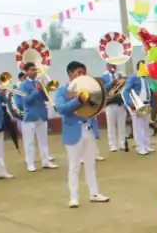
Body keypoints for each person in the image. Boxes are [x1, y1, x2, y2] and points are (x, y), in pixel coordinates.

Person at [54, 61, 110, 207]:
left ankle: (95, 193)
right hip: (73, 131)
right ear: (70, 73)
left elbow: (96, 105)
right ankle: (74, 197)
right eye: (79, 72)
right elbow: (60, 108)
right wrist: (77, 101)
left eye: (83, 72)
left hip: (89, 130)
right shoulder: (62, 90)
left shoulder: (90, 89)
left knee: (91, 164)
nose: (82, 75)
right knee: (74, 166)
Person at [18, 61, 57, 172]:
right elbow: (26, 100)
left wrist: (45, 90)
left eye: (35, 69)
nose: (35, 71)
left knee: (43, 140)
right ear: (26, 72)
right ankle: (30, 164)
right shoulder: (22, 85)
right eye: (32, 70)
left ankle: (45, 161)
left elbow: (45, 98)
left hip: (41, 115)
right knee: (29, 142)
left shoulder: (39, 82)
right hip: (30, 116)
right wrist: (36, 90)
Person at [123, 60, 154, 155]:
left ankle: (147, 146)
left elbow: (150, 91)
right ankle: (140, 147)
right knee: (138, 127)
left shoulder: (147, 78)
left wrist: (151, 104)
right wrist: (130, 103)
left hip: (147, 104)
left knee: (145, 127)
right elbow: (125, 91)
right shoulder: (133, 77)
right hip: (137, 105)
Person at [100, 63, 127, 152]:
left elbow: (124, 87)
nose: (113, 67)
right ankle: (112, 145)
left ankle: (122, 143)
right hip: (110, 104)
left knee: (121, 125)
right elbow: (102, 88)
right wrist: (111, 83)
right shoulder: (103, 77)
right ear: (107, 66)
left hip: (120, 103)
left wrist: (123, 81)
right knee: (111, 126)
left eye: (114, 65)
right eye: (111, 65)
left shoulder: (120, 75)